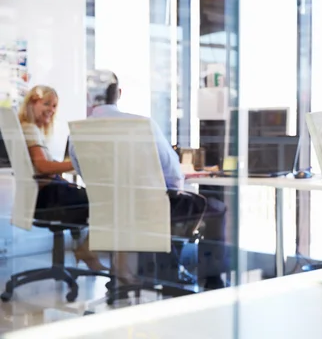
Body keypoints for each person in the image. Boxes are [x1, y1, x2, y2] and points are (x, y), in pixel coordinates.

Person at [70, 70, 226, 287]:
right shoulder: (141, 124)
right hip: (150, 210)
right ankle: (210, 282)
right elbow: (173, 173)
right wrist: (170, 192)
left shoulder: (78, 131)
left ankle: (160, 269)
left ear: (89, 96)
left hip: (109, 209)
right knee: (215, 208)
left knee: (172, 210)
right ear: (119, 93)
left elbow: (82, 172)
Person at [18, 85, 107, 271]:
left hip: (39, 197)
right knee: (106, 201)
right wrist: (77, 163)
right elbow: (42, 166)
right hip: (49, 199)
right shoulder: (30, 129)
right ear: (32, 103)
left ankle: (86, 249)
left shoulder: (25, 129)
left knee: (90, 197)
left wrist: (62, 166)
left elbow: (39, 166)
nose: (51, 110)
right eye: (47, 104)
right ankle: (86, 250)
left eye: (54, 106)